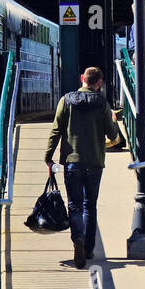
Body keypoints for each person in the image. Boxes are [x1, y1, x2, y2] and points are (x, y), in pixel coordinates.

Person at [44, 66, 121, 268]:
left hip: (72, 162)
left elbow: (56, 131)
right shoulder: (102, 103)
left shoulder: (66, 100)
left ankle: (77, 240)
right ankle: (88, 248)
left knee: (74, 206)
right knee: (90, 205)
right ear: (99, 83)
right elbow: (113, 136)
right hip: (95, 162)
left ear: (82, 79)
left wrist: (48, 158)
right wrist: (113, 120)